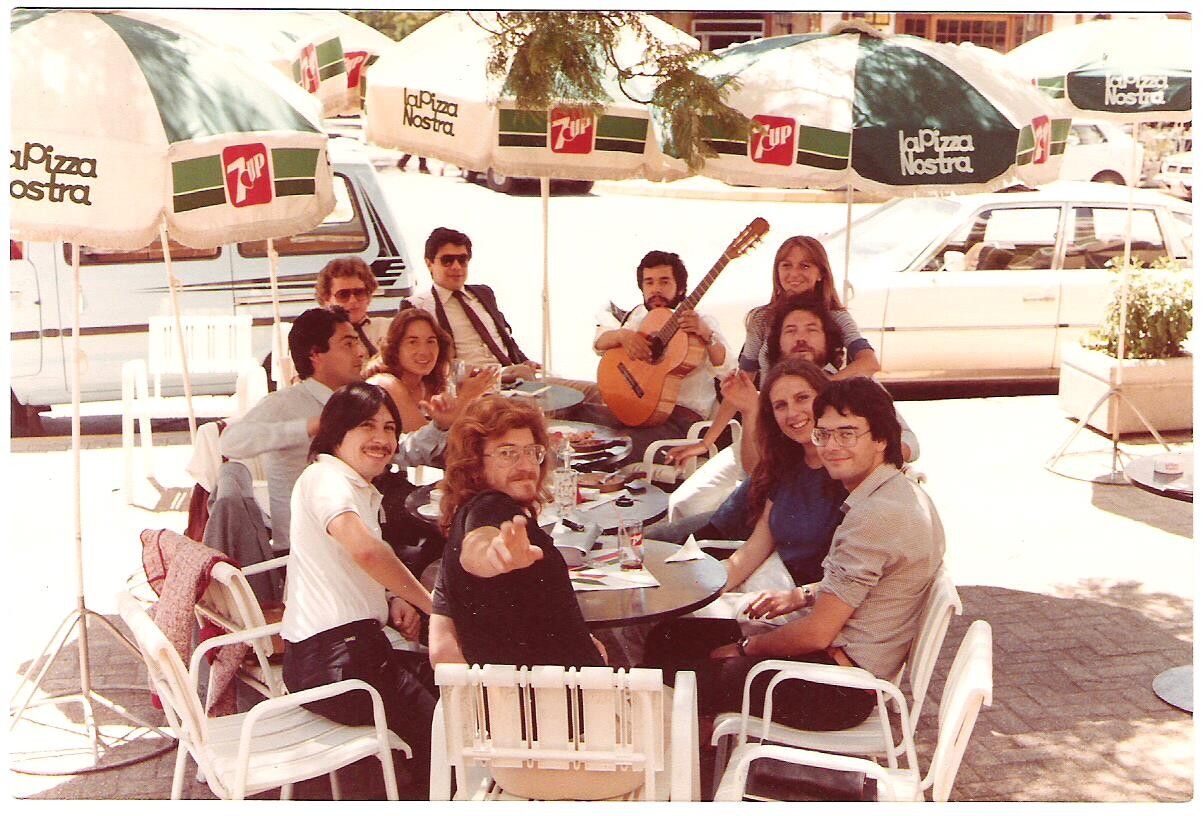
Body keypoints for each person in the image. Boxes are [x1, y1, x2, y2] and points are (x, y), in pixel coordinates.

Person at [643, 377, 945, 732]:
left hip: (837, 688)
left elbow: (816, 633)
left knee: (680, 670)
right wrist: (803, 594)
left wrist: (744, 647)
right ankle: (700, 737)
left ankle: (680, 759)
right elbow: (876, 582)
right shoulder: (897, 493)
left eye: (847, 434)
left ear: (881, 438)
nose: (832, 446)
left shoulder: (873, 516)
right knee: (670, 638)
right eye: (824, 434)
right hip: (840, 661)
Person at [281, 382, 436, 793]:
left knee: (441, 685)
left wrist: (391, 597)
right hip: (338, 665)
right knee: (443, 726)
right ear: (337, 433)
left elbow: (350, 561)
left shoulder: (352, 485)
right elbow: (365, 550)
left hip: (333, 657)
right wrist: (432, 605)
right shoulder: (326, 477)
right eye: (368, 426)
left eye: (389, 429)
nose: (382, 439)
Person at [658, 295, 918, 533]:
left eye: (811, 330)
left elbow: (907, 443)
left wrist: (860, 456)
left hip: (788, 523)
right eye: (790, 331)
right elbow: (753, 469)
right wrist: (748, 413)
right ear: (777, 343)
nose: (800, 338)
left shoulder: (852, 388)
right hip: (756, 499)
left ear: (828, 339)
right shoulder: (776, 387)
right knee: (680, 509)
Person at [220, 306, 452, 549]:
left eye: (358, 344)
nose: (361, 352)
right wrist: (309, 428)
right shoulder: (285, 402)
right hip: (310, 546)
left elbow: (399, 450)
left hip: (367, 527)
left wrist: (439, 425)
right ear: (316, 354)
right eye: (349, 344)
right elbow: (230, 442)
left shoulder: (358, 398)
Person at [663, 235, 878, 469]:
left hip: (814, 433)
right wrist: (706, 442)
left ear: (821, 273)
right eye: (786, 265)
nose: (794, 273)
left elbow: (869, 363)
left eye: (805, 265)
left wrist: (823, 391)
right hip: (767, 429)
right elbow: (741, 382)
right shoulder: (761, 319)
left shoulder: (835, 317)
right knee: (692, 501)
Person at [426, 394, 605, 671]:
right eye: (507, 453)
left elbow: (441, 644)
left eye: (532, 452)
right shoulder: (492, 507)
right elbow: (480, 544)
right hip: (562, 703)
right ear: (475, 464)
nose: (525, 465)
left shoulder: (463, 517)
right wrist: (495, 554)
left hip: (548, 693)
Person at [364, 307, 494, 576]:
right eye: (412, 342)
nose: (424, 350)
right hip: (380, 494)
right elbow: (422, 449)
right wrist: (465, 401)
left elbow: (452, 444)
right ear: (394, 347)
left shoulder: (426, 384)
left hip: (412, 486)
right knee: (463, 518)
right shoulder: (385, 384)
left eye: (430, 341)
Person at [403, 227, 596, 403]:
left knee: (596, 392)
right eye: (447, 260)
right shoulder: (419, 306)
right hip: (474, 388)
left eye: (462, 260)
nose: (456, 267)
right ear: (429, 263)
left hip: (517, 379)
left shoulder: (483, 294)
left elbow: (505, 337)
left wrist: (522, 360)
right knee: (542, 404)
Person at [578, 249, 731, 462]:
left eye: (664, 282)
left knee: (617, 447)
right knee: (577, 420)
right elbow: (599, 344)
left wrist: (707, 335)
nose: (656, 289)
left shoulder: (700, 321)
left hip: (679, 422)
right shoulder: (640, 315)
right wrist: (623, 336)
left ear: (681, 288)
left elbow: (728, 369)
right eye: (649, 282)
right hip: (633, 410)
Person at [314, 256, 390, 362]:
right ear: (326, 299)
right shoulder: (318, 339)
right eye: (343, 295)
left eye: (359, 293)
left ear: (369, 296)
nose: (353, 300)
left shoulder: (389, 329)